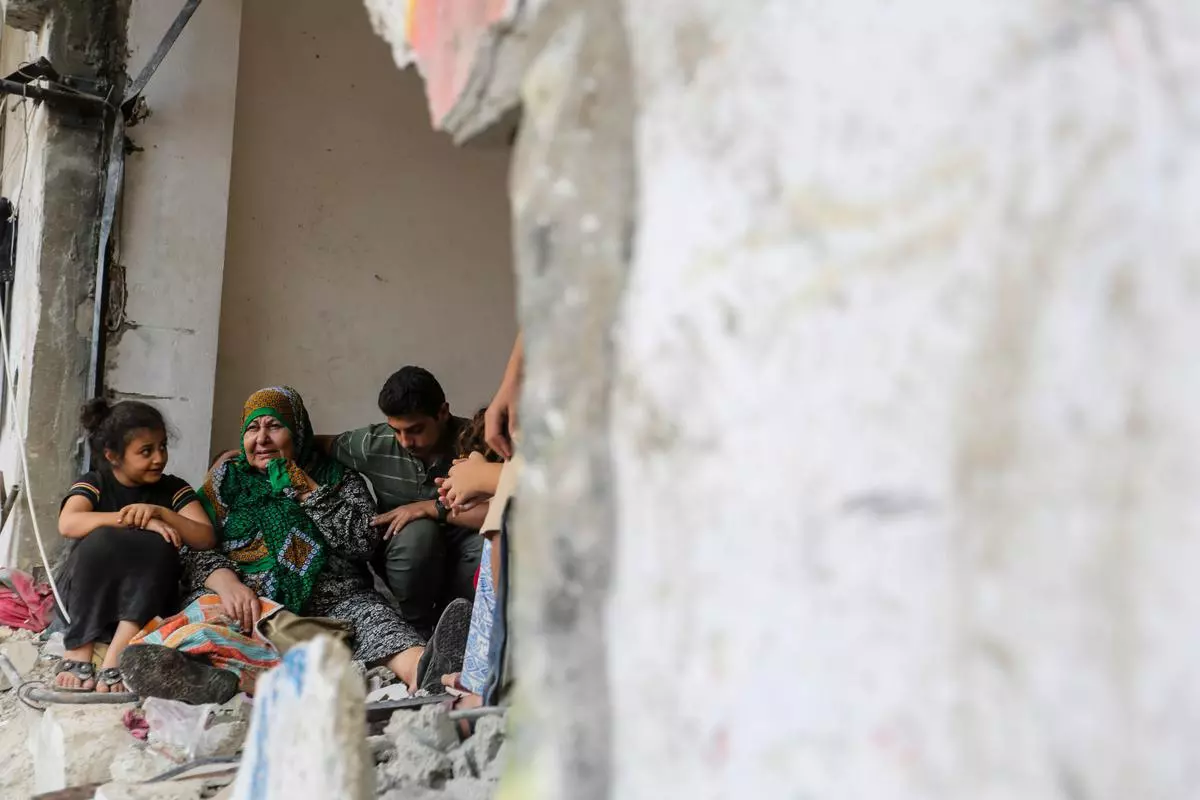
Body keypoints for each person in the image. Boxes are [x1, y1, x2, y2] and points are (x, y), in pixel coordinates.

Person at [171, 386, 431, 690]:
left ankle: (428, 673)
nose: (262, 438)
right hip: (247, 604)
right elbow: (192, 543)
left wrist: (309, 490)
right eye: (252, 428)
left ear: (298, 431)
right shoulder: (226, 480)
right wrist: (226, 583)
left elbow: (363, 543)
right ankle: (225, 677)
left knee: (382, 629)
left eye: (275, 426)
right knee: (199, 625)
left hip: (336, 602)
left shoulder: (337, 477)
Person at [54, 399, 216, 693]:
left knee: (161, 543)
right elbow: (68, 523)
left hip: (146, 605)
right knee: (101, 538)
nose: (159, 458)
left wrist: (161, 514)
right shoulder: (96, 482)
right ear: (113, 455)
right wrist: (132, 520)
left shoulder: (171, 489)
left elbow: (205, 537)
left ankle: (119, 652)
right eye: (146, 451)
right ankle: (79, 646)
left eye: (163, 447)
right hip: (84, 602)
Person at [322, 367, 486, 635]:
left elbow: (506, 512)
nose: (405, 441)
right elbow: (317, 444)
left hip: (464, 555)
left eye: (415, 429)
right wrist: (242, 454)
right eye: (396, 431)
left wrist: (431, 509)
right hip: (408, 557)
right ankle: (417, 628)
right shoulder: (373, 444)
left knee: (488, 543)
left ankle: (462, 622)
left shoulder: (476, 443)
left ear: (443, 413)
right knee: (418, 532)